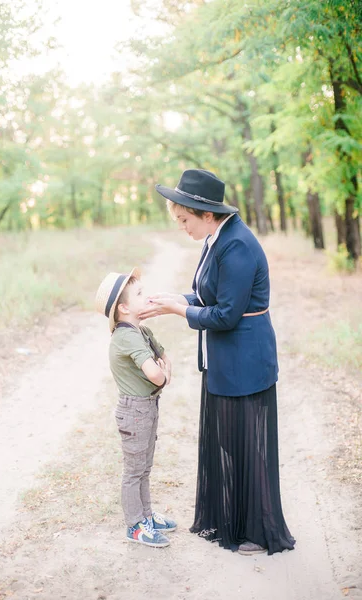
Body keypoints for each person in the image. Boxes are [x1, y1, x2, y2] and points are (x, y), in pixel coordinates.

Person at [139, 169, 295, 556]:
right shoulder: (216, 238)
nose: (182, 227)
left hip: (246, 360)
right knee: (228, 441)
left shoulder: (237, 244)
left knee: (247, 445)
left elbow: (225, 314)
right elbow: (202, 293)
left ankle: (257, 531)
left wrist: (180, 311)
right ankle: (230, 521)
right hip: (226, 360)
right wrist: (170, 301)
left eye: (184, 220)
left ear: (205, 213)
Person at [95, 268, 177, 548]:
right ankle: (135, 525)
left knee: (144, 468)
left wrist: (163, 371)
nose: (148, 295)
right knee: (134, 471)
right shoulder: (126, 337)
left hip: (148, 405)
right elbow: (156, 373)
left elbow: (164, 356)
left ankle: (145, 515)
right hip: (135, 410)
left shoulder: (141, 330)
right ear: (124, 307)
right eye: (140, 293)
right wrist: (163, 375)